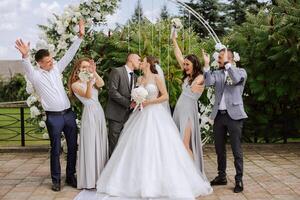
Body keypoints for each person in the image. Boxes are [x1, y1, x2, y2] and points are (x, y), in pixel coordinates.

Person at [74, 56, 213, 200]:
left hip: (155, 114)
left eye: (143, 61)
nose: (140, 62)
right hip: (140, 115)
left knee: (158, 145)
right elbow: (135, 97)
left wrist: (149, 102)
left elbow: (165, 97)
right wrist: (136, 101)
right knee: (136, 145)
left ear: (149, 63)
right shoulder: (139, 79)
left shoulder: (157, 78)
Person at [15, 20, 85, 191]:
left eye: (51, 59)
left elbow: (69, 55)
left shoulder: (56, 69)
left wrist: (79, 37)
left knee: (73, 146)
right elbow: (27, 67)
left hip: (68, 115)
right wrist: (25, 56)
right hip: (53, 118)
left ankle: (70, 176)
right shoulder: (35, 76)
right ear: (39, 63)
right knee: (55, 149)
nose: (51, 63)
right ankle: (56, 180)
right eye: (47, 62)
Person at [203, 48, 247, 193]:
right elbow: (208, 82)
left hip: (234, 115)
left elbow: (235, 80)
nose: (218, 60)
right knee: (219, 149)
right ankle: (221, 176)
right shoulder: (217, 73)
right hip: (219, 116)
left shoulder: (240, 72)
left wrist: (228, 65)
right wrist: (207, 65)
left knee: (236, 149)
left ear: (230, 58)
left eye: (221, 57)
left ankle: (239, 179)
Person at [68, 58, 108, 189]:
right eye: (83, 67)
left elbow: (101, 84)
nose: (86, 69)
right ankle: (90, 180)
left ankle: (101, 178)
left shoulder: (91, 78)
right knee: (91, 144)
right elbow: (88, 95)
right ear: (78, 69)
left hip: (99, 113)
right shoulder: (75, 85)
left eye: (87, 66)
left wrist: (94, 72)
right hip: (89, 114)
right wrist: (90, 82)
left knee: (100, 143)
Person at [172, 32, 206, 173]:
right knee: (177, 144)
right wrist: (174, 40)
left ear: (194, 65)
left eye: (187, 64)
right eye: (184, 64)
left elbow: (195, 85)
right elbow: (178, 55)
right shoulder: (188, 75)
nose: (184, 66)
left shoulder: (200, 77)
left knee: (185, 144)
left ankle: (195, 175)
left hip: (188, 114)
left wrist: (207, 64)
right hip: (179, 111)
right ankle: (183, 172)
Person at [105, 53, 141, 156]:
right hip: (116, 115)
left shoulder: (136, 77)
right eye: (138, 59)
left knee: (125, 145)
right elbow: (112, 92)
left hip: (130, 117)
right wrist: (128, 103)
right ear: (131, 59)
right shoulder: (117, 71)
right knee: (114, 144)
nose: (140, 62)